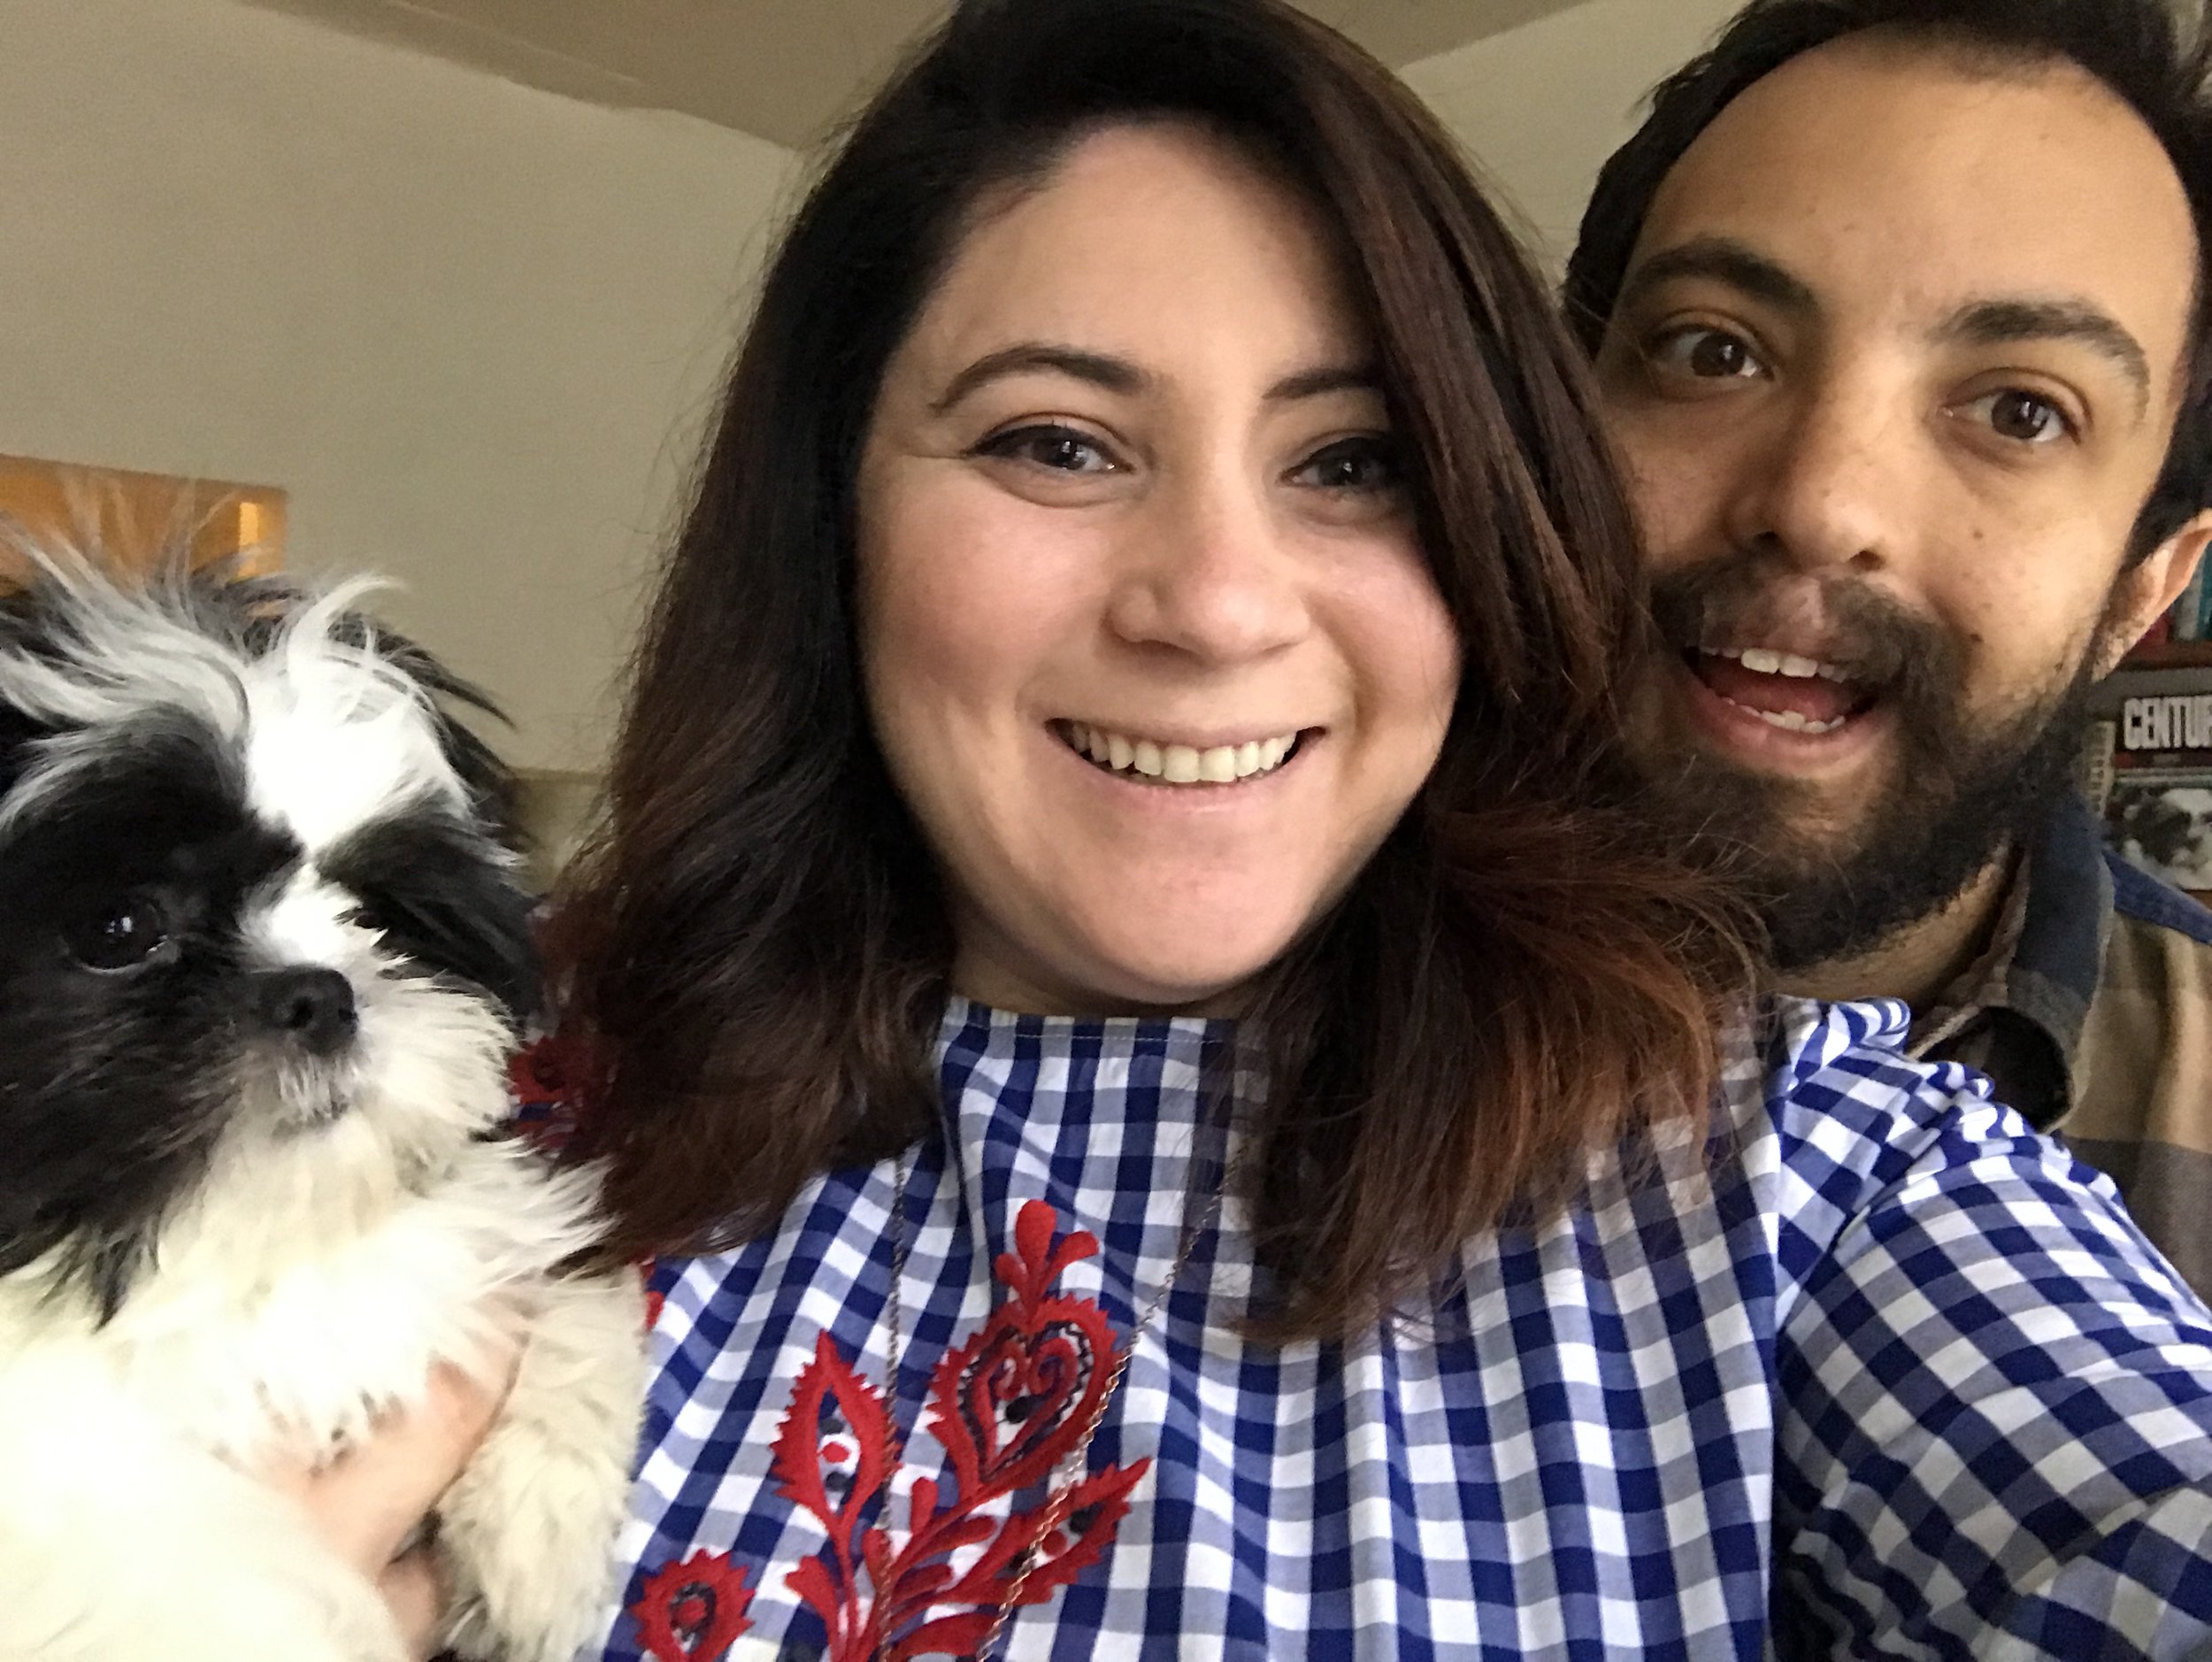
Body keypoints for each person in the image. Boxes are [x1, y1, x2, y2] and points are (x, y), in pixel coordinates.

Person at [306, 0, 2212, 1655]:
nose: (1217, 605)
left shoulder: (1800, 1170)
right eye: (1057, 442)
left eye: (1351, 461)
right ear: (832, 521)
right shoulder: (425, 1113)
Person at [1565, 0, 2212, 1297]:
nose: (1821, 505)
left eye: (2021, 412)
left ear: (2146, 586)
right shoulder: (1231, 968)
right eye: (1713, 351)